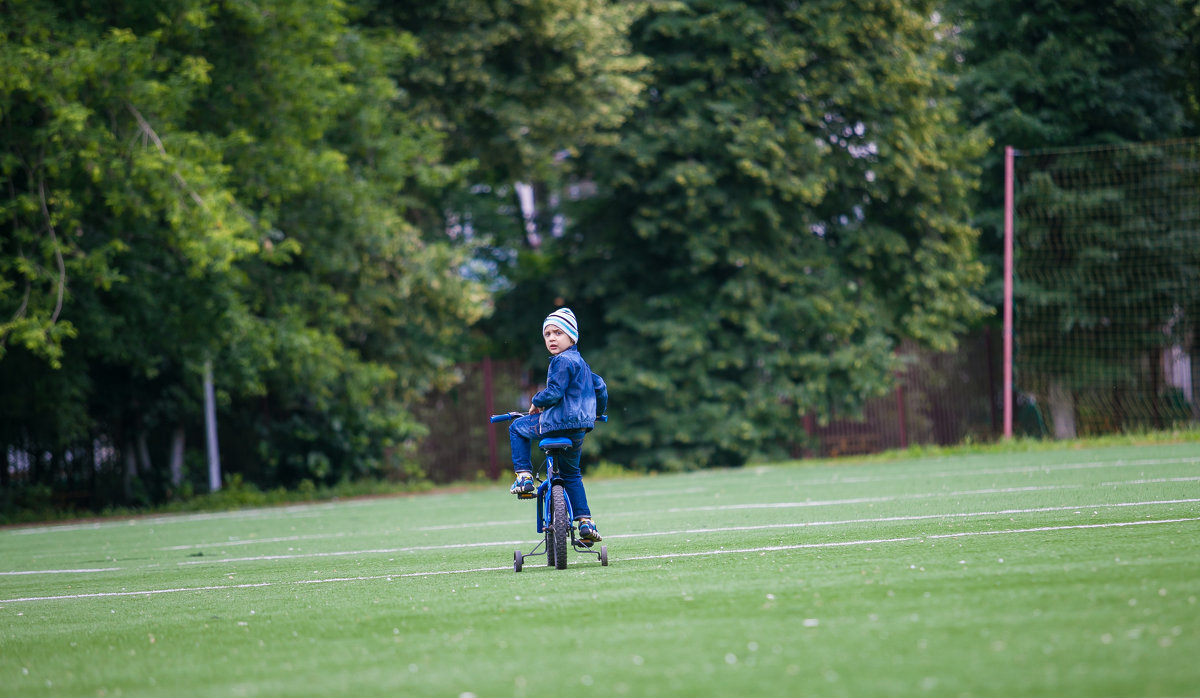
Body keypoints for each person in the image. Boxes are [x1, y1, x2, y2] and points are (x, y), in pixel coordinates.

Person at [508, 307, 608, 543]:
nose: (552, 338)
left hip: (555, 424)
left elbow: (554, 392)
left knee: (517, 427)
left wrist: (535, 400)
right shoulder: (581, 364)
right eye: (547, 334)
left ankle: (524, 477)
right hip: (577, 430)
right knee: (572, 475)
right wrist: (597, 413)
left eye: (558, 333)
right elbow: (600, 387)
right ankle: (585, 521)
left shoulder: (560, 361)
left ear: (572, 336)